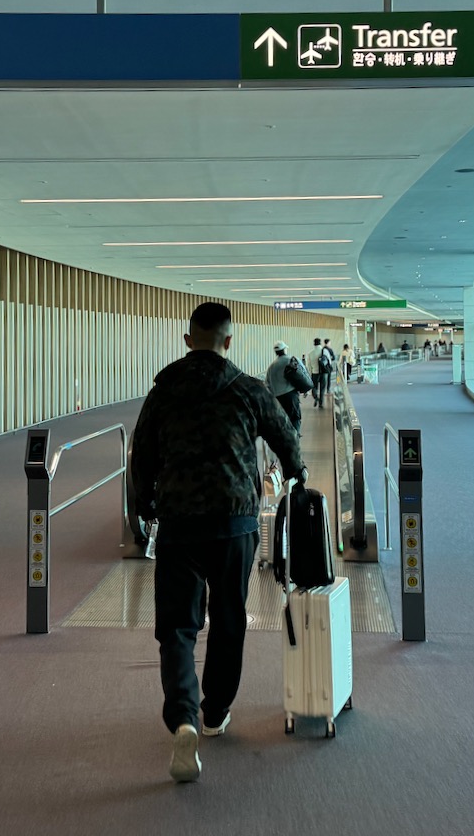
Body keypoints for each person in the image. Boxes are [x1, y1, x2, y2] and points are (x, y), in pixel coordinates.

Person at [131, 304, 307, 783]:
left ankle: (183, 715)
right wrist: (297, 473)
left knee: (177, 627)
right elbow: (286, 436)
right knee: (229, 617)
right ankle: (215, 713)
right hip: (234, 523)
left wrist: (144, 510)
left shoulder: (163, 393)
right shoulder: (247, 388)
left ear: (189, 341)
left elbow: (140, 456)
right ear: (228, 342)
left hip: (179, 524)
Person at [266, 341, 309, 435]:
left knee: (283, 419)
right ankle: (295, 438)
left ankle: (285, 439)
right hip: (291, 395)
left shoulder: (271, 366)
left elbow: (267, 384)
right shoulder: (292, 360)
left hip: (277, 397)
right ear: (285, 349)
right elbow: (303, 374)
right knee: (295, 418)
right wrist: (305, 389)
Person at [308, 337, 333, 410]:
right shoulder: (324, 351)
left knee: (314, 387)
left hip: (315, 373)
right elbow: (329, 362)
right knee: (322, 389)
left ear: (314, 343)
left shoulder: (310, 353)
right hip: (324, 373)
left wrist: (310, 373)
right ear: (320, 343)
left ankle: (316, 397)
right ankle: (321, 403)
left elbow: (308, 365)